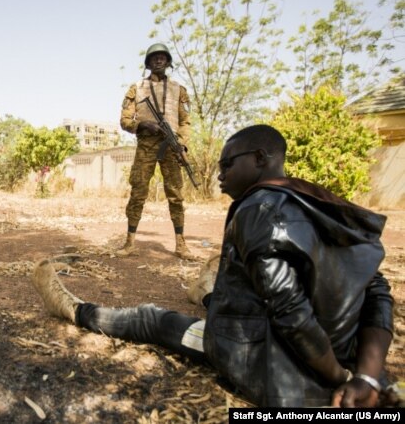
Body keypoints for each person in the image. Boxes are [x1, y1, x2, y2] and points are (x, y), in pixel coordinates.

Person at [31, 124, 394, 407]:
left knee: (154, 320)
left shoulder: (257, 208)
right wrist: (369, 376)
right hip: (341, 352)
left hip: (272, 365)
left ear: (261, 158)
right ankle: (206, 293)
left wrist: (340, 377)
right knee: (227, 295)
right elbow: (375, 289)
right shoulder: (321, 203)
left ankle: (76, 311)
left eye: (227, 164)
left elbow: (290, 312)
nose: (219, 174)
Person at [116, 43, 193, 260]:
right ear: (148, 63)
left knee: (176, 194)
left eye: (163, 57)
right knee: (138, 192)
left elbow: (186, 121)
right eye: (154, 58)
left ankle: (180, 244)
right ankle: (130, 242)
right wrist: (143, 125)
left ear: (168, 62)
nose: (159, 61)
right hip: (147, 145)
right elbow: (124, 120)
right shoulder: (136, 88)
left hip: (171, 146)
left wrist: (182, 145)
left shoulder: (179, 90)